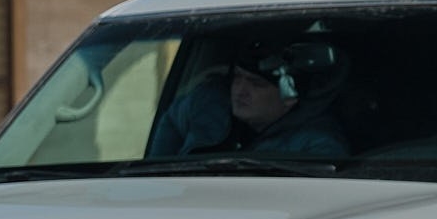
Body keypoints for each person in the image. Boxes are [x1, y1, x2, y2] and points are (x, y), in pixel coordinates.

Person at [146, 37, 350, 160]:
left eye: (256, 84)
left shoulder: (319, 146)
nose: (240, 90)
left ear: (290, 97)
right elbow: (171, 122)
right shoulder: (207, 105)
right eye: (238, 78)